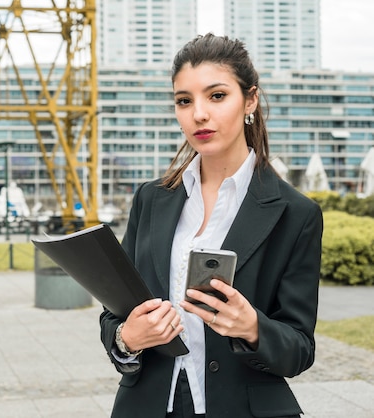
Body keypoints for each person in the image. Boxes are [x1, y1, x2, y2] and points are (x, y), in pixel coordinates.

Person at [99, 33, 324, 418]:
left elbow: (299, 349)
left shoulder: (295, 213)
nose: (198, 114)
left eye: (216, 96)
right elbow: (114, 312)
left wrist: (252, 326)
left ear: (250, 100)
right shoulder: (151, 199)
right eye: (184, 101)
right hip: (149, 405)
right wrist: (127, 337)